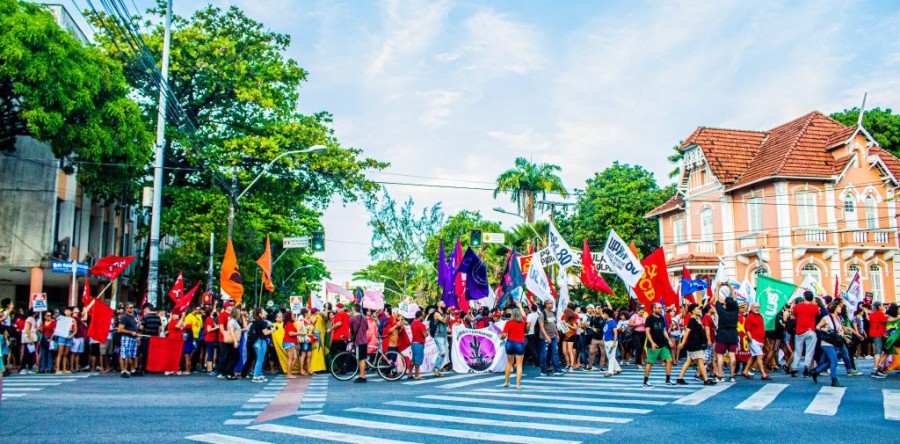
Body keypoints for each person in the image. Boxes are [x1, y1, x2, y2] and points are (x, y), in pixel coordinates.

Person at [677, 303, 716, 385]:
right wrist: (682, 343)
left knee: (689, 361)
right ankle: (706, 380)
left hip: (696, 343)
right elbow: (687, 332)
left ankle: (680, 378)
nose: (699, 310)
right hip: (694, 344)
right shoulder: (692, 320)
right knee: (701, 360)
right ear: (693, 311)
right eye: (697, 309)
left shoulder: (697, 319)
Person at [811, 301, 847, 387]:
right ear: (834, 309)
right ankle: (834, 380)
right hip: (827, 343)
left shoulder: (838, 318)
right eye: (839, 307)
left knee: (832, 361)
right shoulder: (826, 318)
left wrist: (842, 333)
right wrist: (824, 329)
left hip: (835, 342)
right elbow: (817, 327)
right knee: (834, 360)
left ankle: (816, 371)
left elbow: (839, 328)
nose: (840, 308)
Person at [643, 303, 676, 387]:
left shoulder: (661, 317)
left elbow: (663, 330)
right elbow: (647, 331)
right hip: (653, 344)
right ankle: (645, 381)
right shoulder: (649, 318)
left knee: (669, 360)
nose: (660, 309)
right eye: (658, 308)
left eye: (661, 308)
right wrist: (652, 342)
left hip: (663, 343)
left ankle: (668, 379)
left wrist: (668, 340)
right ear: (653, 309)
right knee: (650, 362)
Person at [790, 291, 820, 377]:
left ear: (804, 297)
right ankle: (806, 368)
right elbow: (818, 314)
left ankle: (794, 369)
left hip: (800, 330)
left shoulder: (798, 306)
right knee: (809, 351)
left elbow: (792, 317)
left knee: (798, 351)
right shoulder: (815, 307)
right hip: (811, 330)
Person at [715, 287, 740, 383]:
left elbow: (716, 300)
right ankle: (732, 375)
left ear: (725, 303)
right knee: (732, 355)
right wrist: (730, 287)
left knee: (720, 355)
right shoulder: (736, 311)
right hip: (733, 333)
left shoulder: (722, 312)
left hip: (722, 334)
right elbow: (735, 299)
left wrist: (718, 287)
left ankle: (720, 374)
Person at [743, 303, 772, 380]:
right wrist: (751, 339)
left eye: (758, 307)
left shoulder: (760, 316)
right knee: (759, 356)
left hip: (760, 340)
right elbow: (747, 329)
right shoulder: (749, 317)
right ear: (751, 308)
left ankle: (745, 371)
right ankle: (763, 374)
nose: (757, 308)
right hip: (754, 340)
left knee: (754, 356)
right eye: (755, 307)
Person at [501, 301, 527, 388]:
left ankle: (506, 382)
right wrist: (520, 306)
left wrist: (500, 337)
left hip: (510, 343)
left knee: (509, 363)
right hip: (519, 343)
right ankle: (518, 384)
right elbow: (524, 315)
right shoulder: (523, 321)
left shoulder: (508, 323)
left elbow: (504, 335)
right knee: (519, 364)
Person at [248, 307, 275, 382]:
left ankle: (258, 374)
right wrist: (273, 330)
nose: (265, 313)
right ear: (259, 314)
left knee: (260, 358)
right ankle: (256, 376)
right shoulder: (261, 322)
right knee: (260, 359)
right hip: (260, 341)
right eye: (263, 312)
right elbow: (265, 332)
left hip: (256, 341)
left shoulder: (256, 321)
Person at [538, 299, 563, 376]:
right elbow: (541, 327)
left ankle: (557, 369)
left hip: (553, 336)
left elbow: (554, 325)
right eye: (550, 304)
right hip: (545, 337)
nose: (552, 305)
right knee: (544, 354)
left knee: (555, 352)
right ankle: (543, 370)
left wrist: (557, 335)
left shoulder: (552, 313)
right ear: (546, 305)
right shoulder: (542, 314)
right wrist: (546, 337)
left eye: (552, 303)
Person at [137, 303, 162, 374]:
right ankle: (152, 368)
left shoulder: (145, 317)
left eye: (145, 310)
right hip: (154, 337)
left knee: (145, 353)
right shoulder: (158, 317)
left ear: (147, 309)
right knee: (153, 353)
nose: (144, 311)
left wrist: (139, 324)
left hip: (146, 337)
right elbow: (160, 328)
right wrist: (157, 335)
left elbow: (141, 328)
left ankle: (145, 368)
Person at [117, 303, 139, 378]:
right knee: (124, 354)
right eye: (130, 308)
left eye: (133, 307)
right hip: (127, 337)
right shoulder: (124, 317)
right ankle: (123, 370)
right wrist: (130, 332)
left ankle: (133, 370)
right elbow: (120, 329)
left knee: (133, 354)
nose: (132, 309)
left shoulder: (133, 316)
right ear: (126, 308)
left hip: (134, 337)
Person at [54, 306, 76, 374]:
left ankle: (64, 369)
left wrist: (71, 336)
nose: (67, 312)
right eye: (66, 311)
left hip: (69, 335)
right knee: (60, 353)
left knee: (66, 354)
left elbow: (75, 330)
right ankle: (57, 369)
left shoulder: (73, 320)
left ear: (71, 312)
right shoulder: (61, 318)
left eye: (69, 311)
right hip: (62, 335)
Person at [431, 301, 449, 377]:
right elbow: (443, 320)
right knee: (442, 352)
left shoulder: (444, 314)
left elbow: (446, 323)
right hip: (438, 335)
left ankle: (437, 369)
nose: (445, 305)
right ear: (439, 305)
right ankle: (436, 368)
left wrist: (448, 314)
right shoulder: (436, 313)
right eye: (443, 304)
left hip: (444, 335)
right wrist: (448, 314)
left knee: (443, 353)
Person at [601, 308, 621, 377]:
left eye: (603, 313)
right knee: (610, 356)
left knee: (611, 356)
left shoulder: (613, 322)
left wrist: (614, 342)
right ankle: (618, 368)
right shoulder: (606, 321)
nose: (602, 315)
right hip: (606, 341)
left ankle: (610, 371)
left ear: (606, 314)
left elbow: (615, 333)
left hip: (611, 341)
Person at [409, 309, 427, 380]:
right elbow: (425, 334)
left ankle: (410, 373)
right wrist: (427, 332)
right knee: (418, 360)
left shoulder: (413, 323)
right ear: (420, 316)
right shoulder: (421, 324)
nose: (423, 318)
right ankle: (417, 375)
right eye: (423, 316)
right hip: (419, 343)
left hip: (414, 343)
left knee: (413, 359)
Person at [561, 302, 580, 371]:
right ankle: (568, 364)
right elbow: (562, 324)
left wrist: (567, 324)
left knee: (570, 350)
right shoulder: (563, 316)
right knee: (564, 351)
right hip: (564, 334)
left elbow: (575, 327)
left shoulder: (573, 317)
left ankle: (571, 366)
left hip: (572, 334)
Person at [282, 311, 300, 379]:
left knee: (294, 357)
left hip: (290, 342)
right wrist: (300, 333)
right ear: (289, 316)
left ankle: (289, 372)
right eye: (292, 315)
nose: (294, 316)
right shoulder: (289, 323)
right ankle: (288, 374)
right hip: (288, 342)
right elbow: (290, 334)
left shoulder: (290, 323)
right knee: (291, 358)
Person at [203, 306, 219, 375]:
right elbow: (209, 329)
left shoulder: (210, 319)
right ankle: (209, 369)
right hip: (209, 338)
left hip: (211, 338)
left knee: (210, 353)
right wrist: (216, 328)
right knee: (210, 354)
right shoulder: (209, 319)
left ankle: (209, 368)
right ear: (210, 312)